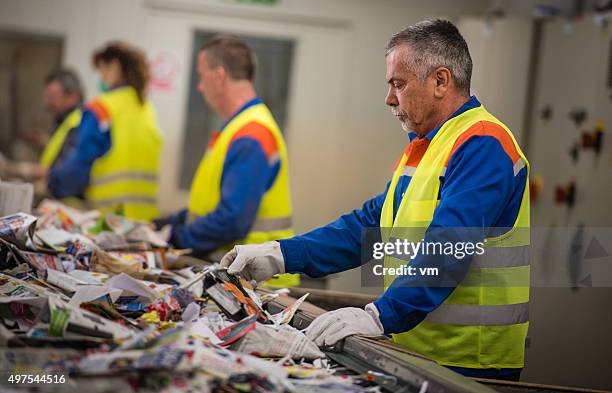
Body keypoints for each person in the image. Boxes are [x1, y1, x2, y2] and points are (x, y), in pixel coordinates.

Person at [221, 19, 530, 381]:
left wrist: (380, 316)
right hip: (415, 351)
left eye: (398, 84)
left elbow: (449, 248)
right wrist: (282, 254)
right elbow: (369, 226)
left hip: (468, 364)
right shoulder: (425, 145)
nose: (389, 98)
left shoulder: (483, 144)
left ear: (440, 81)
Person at [156, 35, 298, 287]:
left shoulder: (251, 133)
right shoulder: (239, 127)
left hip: (258, 283)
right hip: (244, 278)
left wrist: (176, 237)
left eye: (201, 76)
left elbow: (231, 220)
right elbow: (214, 202)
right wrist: (172, 221)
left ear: (219, 76)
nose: (200, 87)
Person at [48, 42, 163, 221]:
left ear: (115, 67)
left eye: (102, 69)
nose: (101, 77)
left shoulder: (102, 108)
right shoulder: (146, 110)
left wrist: (53, 183)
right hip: (143, 224)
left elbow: (77, 169)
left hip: (106, 222)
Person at [38, 69, 84, 169]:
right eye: (46, 97)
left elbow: (66, 168)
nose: (47, 103)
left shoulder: (79, 123)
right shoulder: (65, 121)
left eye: (52, 96)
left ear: (73, 96)